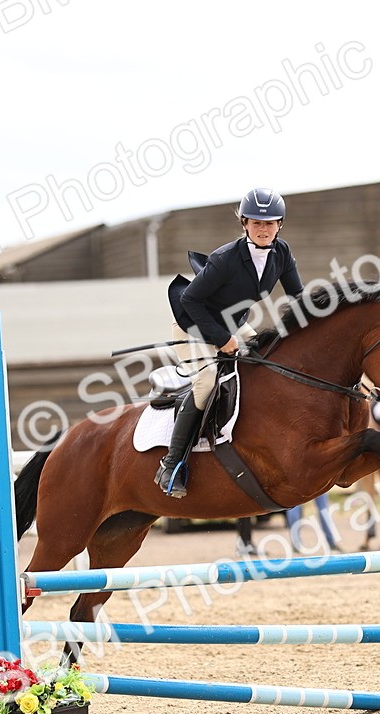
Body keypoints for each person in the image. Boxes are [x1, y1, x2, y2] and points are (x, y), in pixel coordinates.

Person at [158, 187, 305, 498]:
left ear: (280, 225)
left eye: (270, 223)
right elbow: (190, 300)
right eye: (256, 223)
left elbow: (299, 299)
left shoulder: (282, 253)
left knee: (271, 361)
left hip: (234, 325)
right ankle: (171, 466)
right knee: (207, 382)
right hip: (192, 327)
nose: (263, 229)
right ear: (244, 224)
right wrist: (222, 339)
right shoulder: (225, 259)